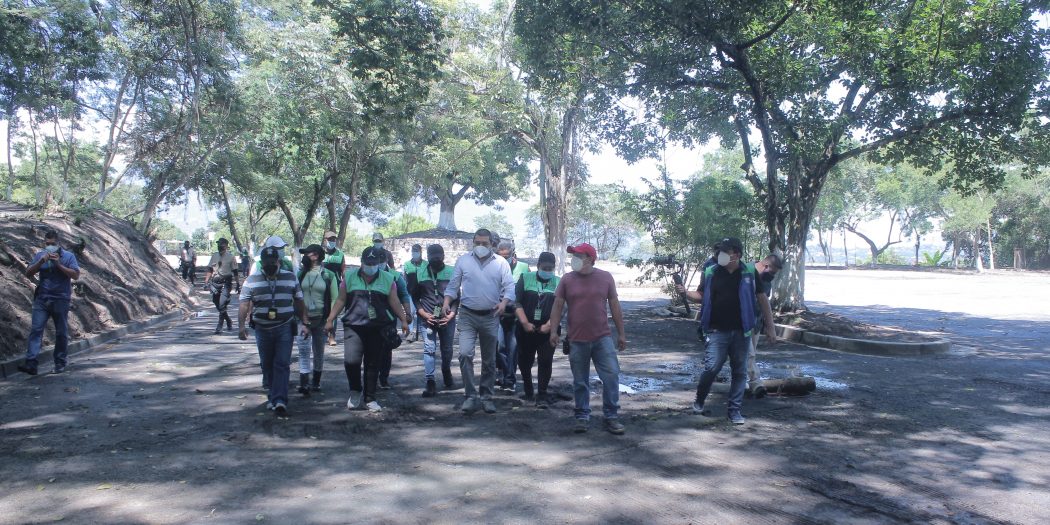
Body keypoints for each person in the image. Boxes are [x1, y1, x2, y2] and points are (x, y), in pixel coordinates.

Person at [676, 237, 771, 425]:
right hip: (716, 330)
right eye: (720, 251)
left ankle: (734, 411)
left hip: (742, 331)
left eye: (725, 252)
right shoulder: (711, 271)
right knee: (712, 368)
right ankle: (699, 400)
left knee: (740, 372)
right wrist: (685, 293)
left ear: (737, 254)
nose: (721, 255)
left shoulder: (749, 272)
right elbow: (701, 295)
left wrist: (771, 327)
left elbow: (762, 299)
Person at [548, 243, 627, 435]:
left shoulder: (605, 278)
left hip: (602, 338)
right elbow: (557, 306)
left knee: (611, 376)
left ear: (590, 259)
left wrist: (621, 334)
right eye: (573, 256)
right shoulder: (567, 279)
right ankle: (582, 416)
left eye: (578, 256)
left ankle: (611, 416)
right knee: (580, 381)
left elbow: (615, 306)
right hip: (576, 340)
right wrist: (553, 331)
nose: (574, 259)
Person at [326, 247, 409, 412]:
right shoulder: (349, 277)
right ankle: (355, 391)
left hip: (377, 327)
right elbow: (341, 300)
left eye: (374, 263)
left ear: (379, 263)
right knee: (351, 361)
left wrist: (403, 319)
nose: (370, 267)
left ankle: (370, 397)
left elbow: (394, 301)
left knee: (373, 363)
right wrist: (330, 319)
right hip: (354, 325)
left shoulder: (388, 278)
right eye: (367, 263)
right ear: (362, 262)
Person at [441, 228, 515, 414]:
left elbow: (510, 288)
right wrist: (447, 302)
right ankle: (470, 396)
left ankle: (487, 397)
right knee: (465, 354)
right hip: (467, 315)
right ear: (473, 242)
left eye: (485, 243)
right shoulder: (463, 261)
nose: (480, 246)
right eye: (477, 243)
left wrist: (503, 303)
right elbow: (453, 286)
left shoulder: (500, 263)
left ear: (492, 245)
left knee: (489, 360)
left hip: (491, 316)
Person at [237, 246, 310, 417]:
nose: (270, 264)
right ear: (262, 263)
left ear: (278, 261)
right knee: (267, 363)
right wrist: (241, 326)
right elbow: (244, 304)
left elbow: (299, 301)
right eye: (267, 262)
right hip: (262, 329)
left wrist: (305, 322)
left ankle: (280, 399)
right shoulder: (251, 280)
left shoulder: (290, 278)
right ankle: (272, 395)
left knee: (282, 363)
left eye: (273, 261)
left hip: (285, 327)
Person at [18, 229, 81, 375]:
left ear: (58, 243)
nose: (49, 247)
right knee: (36, 329)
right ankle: (31, 363)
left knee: (61, 332)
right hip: (42, 299)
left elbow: (76, 275)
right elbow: (28, 273)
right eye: (47, 244)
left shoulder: (68, 256)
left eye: (52, 244)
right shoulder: (40, 255)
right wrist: (41, 262)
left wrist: (58, 264)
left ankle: (60, 362)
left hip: (61, 299)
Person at [514, 251, 559, 407]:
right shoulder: (525, 278)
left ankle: (542, 394)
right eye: (544, 268)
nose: (547, 271)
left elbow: (562, 306)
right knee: (524, 360)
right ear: (538, 265)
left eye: (550, 268)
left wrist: (550, 325)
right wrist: (525, 323)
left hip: (548, 329)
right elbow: (516, 302)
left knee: (545, 361)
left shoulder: (558, 282)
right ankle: (528, 389)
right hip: (526, 328)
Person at [412, 244, 458, 397]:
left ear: (443, 256)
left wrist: (451, 315)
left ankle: (446, 370)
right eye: (433, 257)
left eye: (439, 256)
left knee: (447, 349)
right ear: (428, 257)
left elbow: (457, 297)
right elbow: (415, 297)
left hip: (447, 318)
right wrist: (423, 314)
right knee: (429, 349)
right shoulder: (419, 272)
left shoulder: (452, 271)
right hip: (427, 318)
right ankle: (430, 381)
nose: (436, 259)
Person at [295, 244, 338, 395]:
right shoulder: (301, 274)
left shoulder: (328, 275)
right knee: (303, 350)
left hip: (321, 319)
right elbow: (295, 296)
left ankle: (316, 382)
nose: (304, 257)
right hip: (303, 319)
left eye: (307, 254)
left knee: (319, 351)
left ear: (316, 256)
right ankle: (304, 383)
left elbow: (335, 299)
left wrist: (331, 320)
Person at [747, 253, 783, 398]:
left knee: (748, 355)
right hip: (740, 322)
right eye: (772, 272)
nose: (772, 276)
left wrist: (767, 325)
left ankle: (739, 382)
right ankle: (756, 383)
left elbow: (764, 302)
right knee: (748, 354)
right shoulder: (745, 271)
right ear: (766, 266)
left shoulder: (766, 280)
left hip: (756, 322)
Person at [495, 240, 529, 394]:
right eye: (500, 256)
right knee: (500, 347)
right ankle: (503, 372)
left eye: (506, 256)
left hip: (516, 316)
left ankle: (509, 380)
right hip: (498, 315)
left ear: (513, 254)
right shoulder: (495, 267)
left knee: (513, 348)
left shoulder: (524, 268)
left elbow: (527, 292)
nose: (503, 260)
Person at [377, 247, 412, 389]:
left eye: (382, 259)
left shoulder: (395, 276)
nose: (379, 262)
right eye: (377, 259)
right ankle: (371, 378)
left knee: (386, 348)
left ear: (386, 260)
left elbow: (404, 295)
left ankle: (383, 378)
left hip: (389, 318)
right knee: (371, 349)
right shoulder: (368, 275)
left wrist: (407, 314)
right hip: (370, 318)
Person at [204, 238, 238, 335]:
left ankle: (219, 326)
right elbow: (210, 269)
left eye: (222, 244)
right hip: (215, 283)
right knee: (216, 302)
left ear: (226, 245)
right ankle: (228, 320)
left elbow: (235, 271)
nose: (220, 246)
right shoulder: (214, 256)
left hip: (226, 283)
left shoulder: (231, 257)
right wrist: (206, 282)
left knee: (222, 304)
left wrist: (238, 284)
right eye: (219, 244)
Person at [322, 230, 347, 346]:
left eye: (333, 239)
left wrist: (345, 283)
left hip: (335, 286)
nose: (332, 241)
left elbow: (343, 271)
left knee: (334, 310)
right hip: (321, 286)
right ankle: (322, 333)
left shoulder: (340, 255)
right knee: (322, 310)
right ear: (325, 240)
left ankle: (332, 336)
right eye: (329, 239)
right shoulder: (319, 253)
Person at [402, 243, 425, 342]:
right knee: (410, 312)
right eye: (413, 251)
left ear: (421, 252)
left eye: (417, 251)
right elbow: (404, 278)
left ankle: (420, 332)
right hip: (410, 292)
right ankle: (410, 332)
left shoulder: (426, 264)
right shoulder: (407, 264)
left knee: (421, 312)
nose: (415, 253)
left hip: (423, 293)